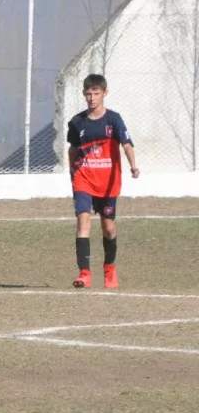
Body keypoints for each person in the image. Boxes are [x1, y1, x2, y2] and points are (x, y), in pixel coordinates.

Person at [67, 74, 139, 289]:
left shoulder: (114, 120)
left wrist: (133, 165)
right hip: (83, 178)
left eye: (96, 93)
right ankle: (84, 274)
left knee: (108, 227)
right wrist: (72, 171)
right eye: (88, 94)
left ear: (104, 93)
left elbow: (127, 144)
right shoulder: (77, 122)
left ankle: (109, 269)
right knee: (83, 221)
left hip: (108, 181)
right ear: (84, 94)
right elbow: (73, 149)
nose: (92, 98)